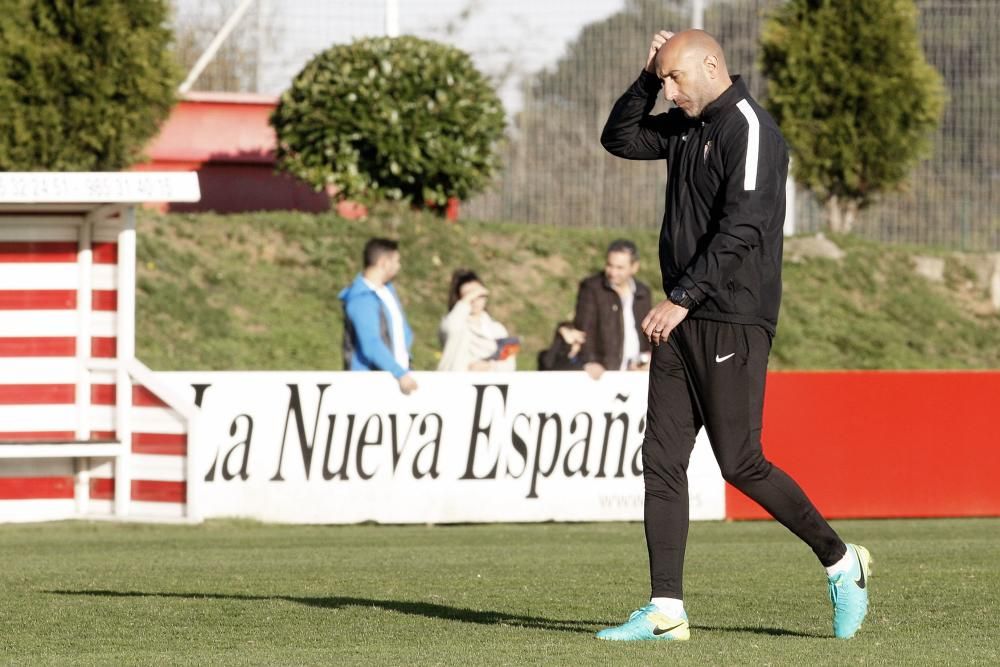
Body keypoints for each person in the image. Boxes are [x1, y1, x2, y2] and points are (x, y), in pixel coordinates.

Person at [594, 29, 871, 642]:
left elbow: (744, 227)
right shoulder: (684, 123)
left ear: (711, 65)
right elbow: (618, 138)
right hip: (681, 316)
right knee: (661, 462)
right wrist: (646, 77)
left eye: (675, 78)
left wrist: (682, 297)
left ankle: (841, 561)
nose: (668, 91)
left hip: (731, 317)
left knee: (740, 464)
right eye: (662, 81)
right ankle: (666, 610)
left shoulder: (751, 130)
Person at [339, 238, 417, 395]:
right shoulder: (361, 299)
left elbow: (402, 332)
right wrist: (399, 372)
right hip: (370, 384)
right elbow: (371, 344)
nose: (399, 266)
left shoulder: (387, 291)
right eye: (396, 261)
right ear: (384, 262)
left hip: (397, 378)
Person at [573, 239, 652, 380]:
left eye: (620, 267)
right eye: (609, 265)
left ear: (634, 267)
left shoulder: (643, 293)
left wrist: (648, 358)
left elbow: (648, 331)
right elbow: (584, 328)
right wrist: (590, 361)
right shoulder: (592, 288)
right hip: (605, 372)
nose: (613, 272)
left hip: (637, 372)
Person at [438, 269, 516, 371]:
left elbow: (509, 364)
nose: (474, 300)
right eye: (468, 295)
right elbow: (452, 328)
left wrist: (490, 366)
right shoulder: (452, 323)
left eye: (479, 295)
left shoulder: (497, 329)